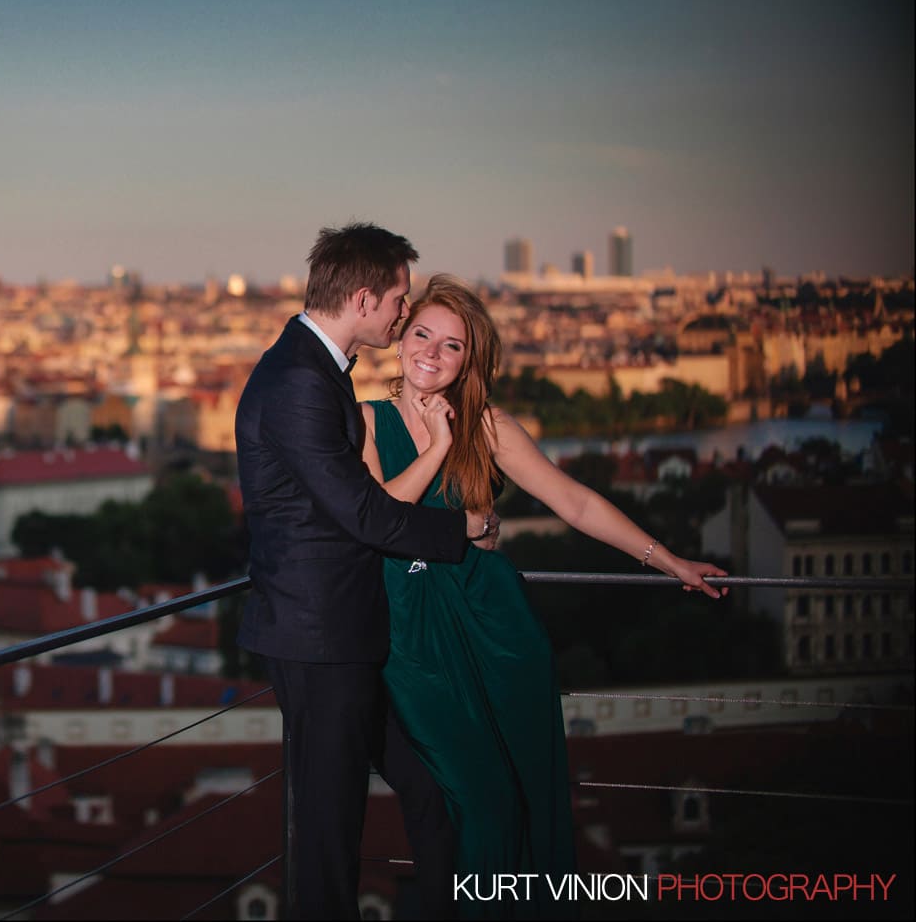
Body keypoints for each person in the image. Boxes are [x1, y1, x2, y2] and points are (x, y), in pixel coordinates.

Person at [359, 274, 728, 918]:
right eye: (422, 334)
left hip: (495, 627)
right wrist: (440, 446)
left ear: (469, 362)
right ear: (400, 340)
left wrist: (666, 560)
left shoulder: (490, 426)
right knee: (481, 797)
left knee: (525, 790)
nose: (431, 353)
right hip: (413, 641)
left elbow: (574, 502)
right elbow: (383, 517)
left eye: (452, 346)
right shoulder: (366, 420)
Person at [236, 225, 499, 921]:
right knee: (329, 833)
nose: (403, 314)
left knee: (424, 792)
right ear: (361, 298)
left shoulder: (313, 369)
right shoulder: (300, 380)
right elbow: (368, 517)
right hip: (320, 636)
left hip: (341, 632)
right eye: (399, 301)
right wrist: (468, 528)